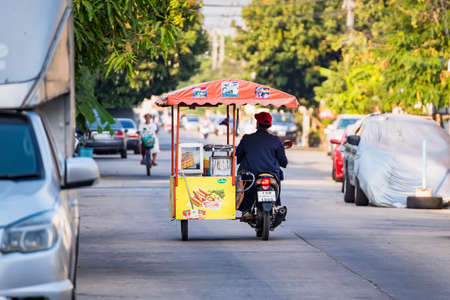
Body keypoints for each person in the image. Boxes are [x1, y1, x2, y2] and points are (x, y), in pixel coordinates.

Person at [236, 112, 288, 212]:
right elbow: (283, 161)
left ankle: (246, 208)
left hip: (250, 175)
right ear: (270, 125)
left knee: (243, 183)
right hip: (271, 174)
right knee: (278, 178)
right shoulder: (276, 140)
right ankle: (276, 203)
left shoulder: (247, 139)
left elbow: (238, 157)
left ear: (257, 124)